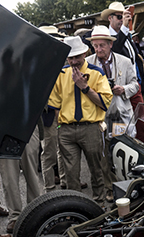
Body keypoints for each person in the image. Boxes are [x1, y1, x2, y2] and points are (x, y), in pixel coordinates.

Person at [48, 36, 113, 205]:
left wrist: (84, 88)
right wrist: (61, 126)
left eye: (77, 57)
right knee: (71, 174)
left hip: (90, 128)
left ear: (85, 53)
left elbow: (105, 102)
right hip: (67, 130)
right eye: (71, 57)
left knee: (96, 169)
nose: (74, 61)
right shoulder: (61, 74)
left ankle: (98, 204)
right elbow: (55, 103)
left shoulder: (96, 73)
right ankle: (77, 207)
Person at [86, 25, 139, 201]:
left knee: (120, 149)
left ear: (110, 44)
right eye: (95, 46)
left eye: (102, 45)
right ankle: (109, 188)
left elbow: (135, 84)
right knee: (103, 153)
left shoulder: (124, 61)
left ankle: (125, 185)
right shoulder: (88, 63)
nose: (99, 49)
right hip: (99, 116)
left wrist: (122, 89)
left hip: (120, 115)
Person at [0, 126, 44, 233]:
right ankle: (15, 216)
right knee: (9, 179)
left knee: (32, 174)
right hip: (3, 131)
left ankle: (35, 211)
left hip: (28, 127)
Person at [101, 2, 144, 109]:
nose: (122, 20)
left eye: (124, 16)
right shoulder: (107, 36)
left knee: (140, 121)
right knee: (122, 123)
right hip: (120, 88)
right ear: (110, 18)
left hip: (135, 84)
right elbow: (115, 49)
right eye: (119, 17)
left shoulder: (126, 35)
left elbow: (134, 58)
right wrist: (124, 28)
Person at [38, 25, 67, 193]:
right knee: (48, 152)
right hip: (48, 114)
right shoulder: (39, 62)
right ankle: (49, 187)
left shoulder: (62, 59)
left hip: (64, 112)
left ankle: (64, 180)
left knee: (64, 148)